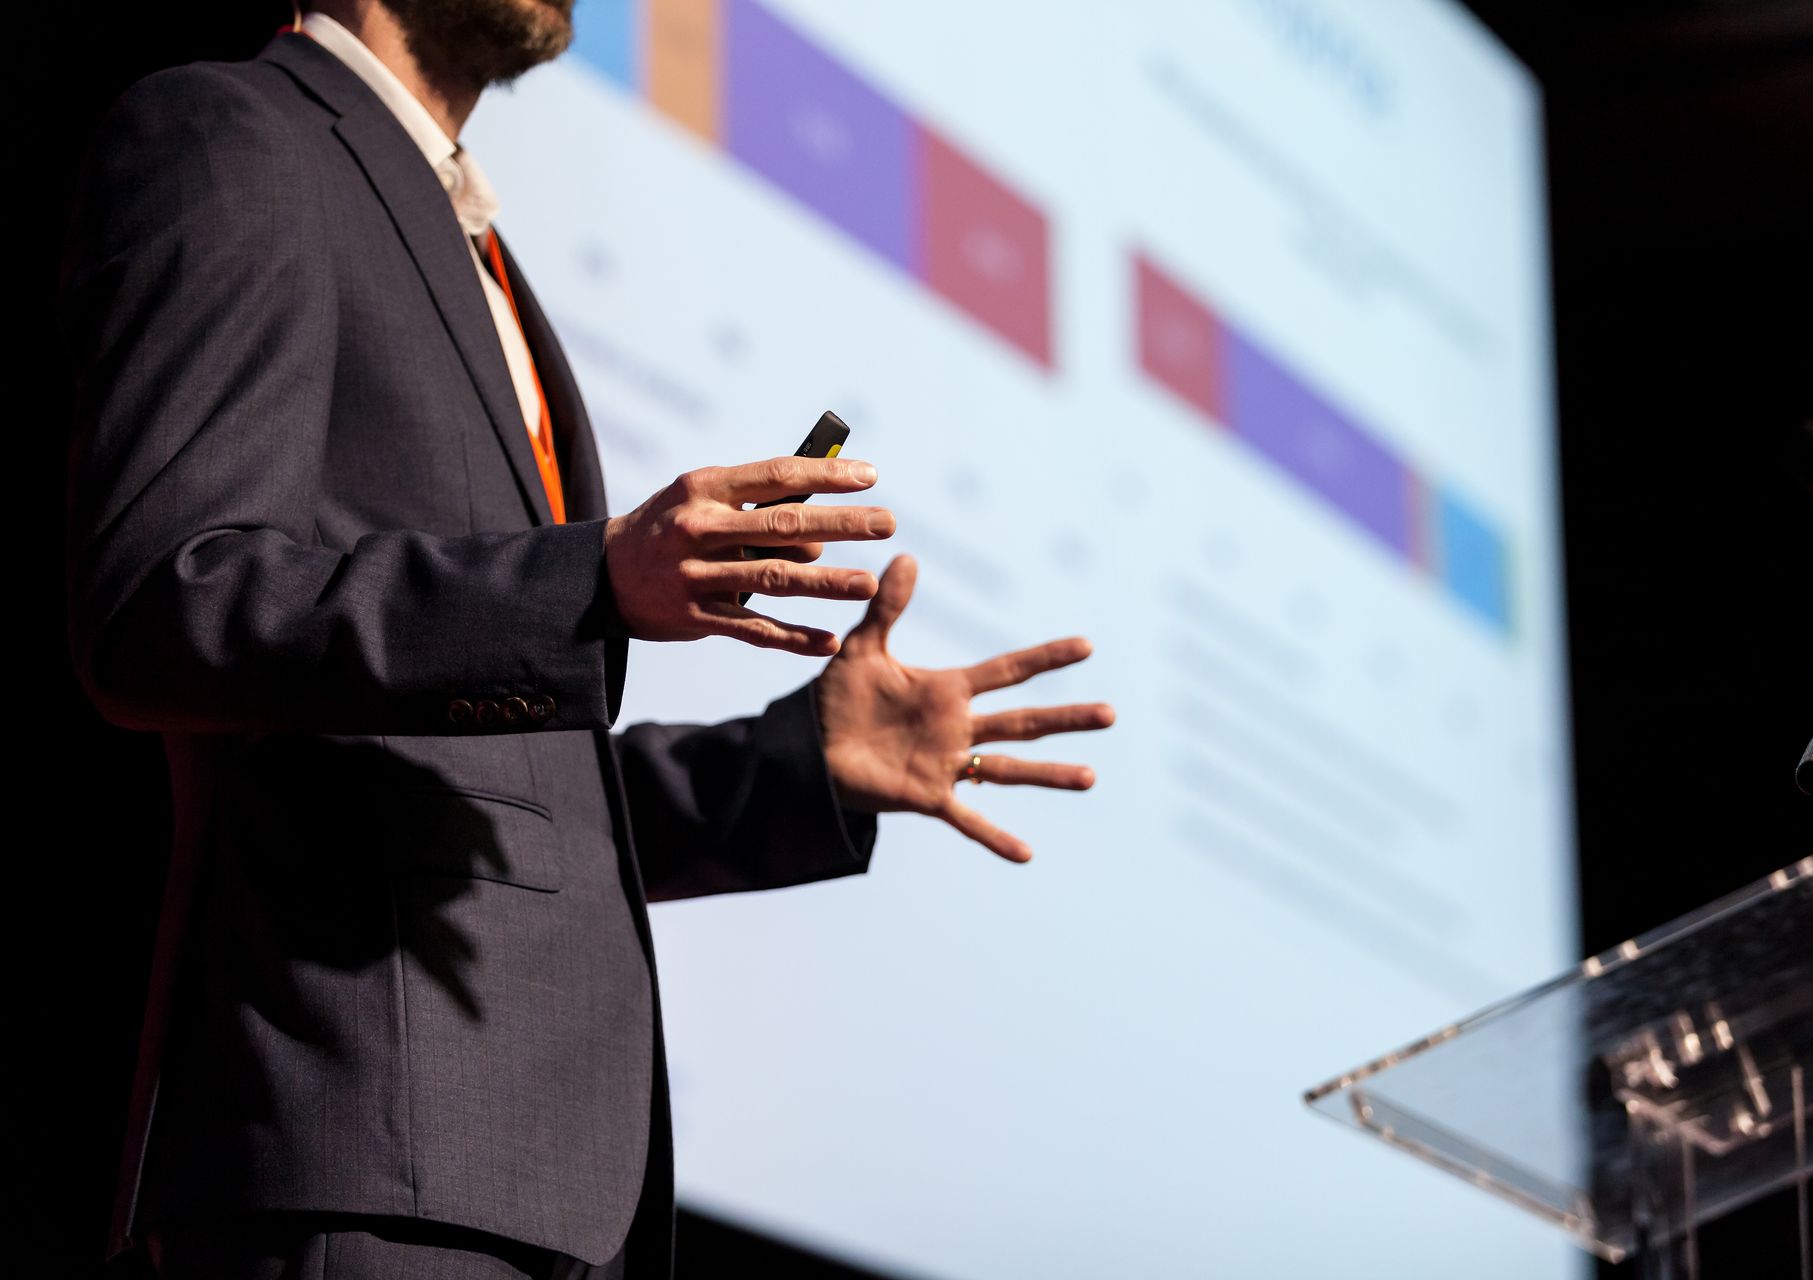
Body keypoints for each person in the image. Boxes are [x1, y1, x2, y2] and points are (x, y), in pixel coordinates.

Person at [59, 1, 1115, 1275]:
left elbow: (504, 797)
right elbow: (168, 600)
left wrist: (797, 765)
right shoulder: (234, 136)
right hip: (367, 1155)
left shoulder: (484, 252)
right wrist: (591, 579)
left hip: (551, 1191)